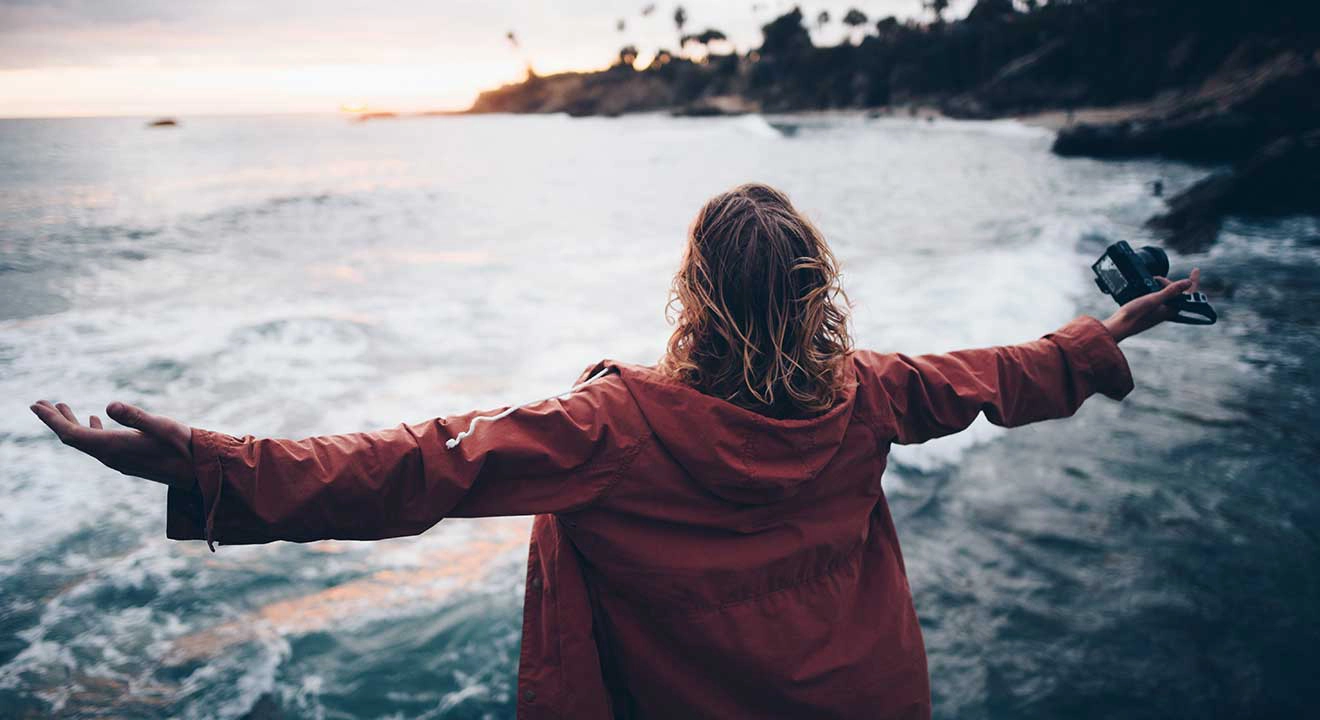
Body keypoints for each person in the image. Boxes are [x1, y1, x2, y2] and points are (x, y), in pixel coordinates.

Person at [31, 183, 1201, 720]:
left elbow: (414, 466)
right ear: (816, 294)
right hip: (870, 697)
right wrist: (1116, 328)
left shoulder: (611, 429)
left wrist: (212, 464)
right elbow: (1001, 373)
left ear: (695, 293)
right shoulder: (870, 393)